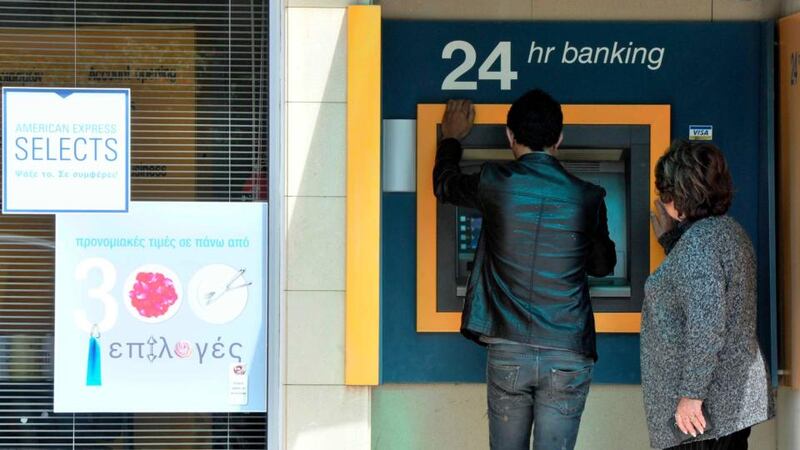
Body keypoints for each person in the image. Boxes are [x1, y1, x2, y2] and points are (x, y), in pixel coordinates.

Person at [433, 90, 617, 450]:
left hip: (509, 349)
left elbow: (445, 184)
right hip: (567, 351)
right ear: (559, 138)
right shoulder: (588, 196)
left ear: (510, 136)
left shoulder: (494, 182)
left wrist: (451, 138)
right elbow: (602, 266)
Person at [641, 141, 773, 450]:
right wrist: (672, 240)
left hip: (704, 412)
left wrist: (692, 395)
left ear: (681, 193)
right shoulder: (728, 232)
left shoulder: (700, 244)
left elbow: (706, 323)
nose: (662, 200)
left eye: (666, 192)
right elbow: (701, 291)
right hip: (729, 400)